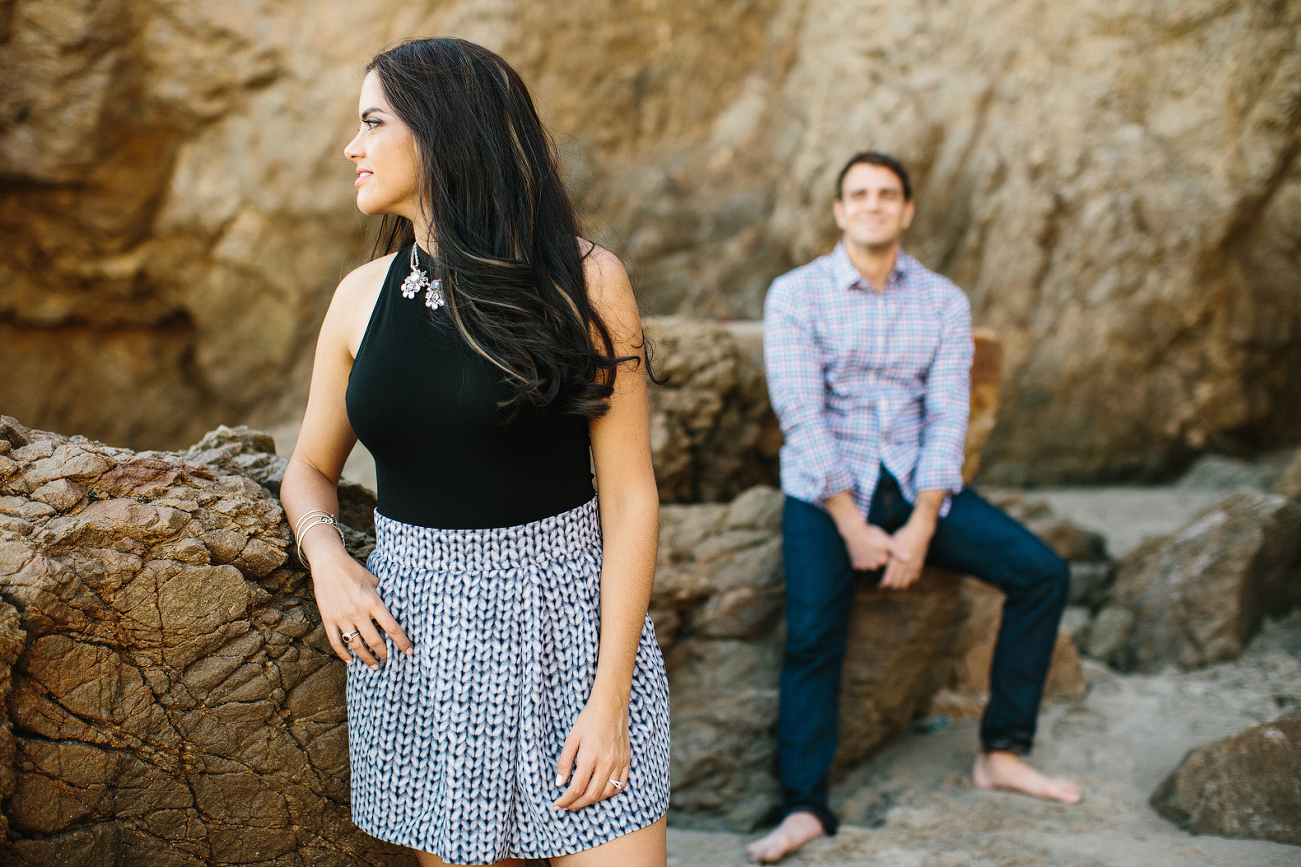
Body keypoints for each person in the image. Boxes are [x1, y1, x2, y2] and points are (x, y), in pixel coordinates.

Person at [279, 38, 670, 867]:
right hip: (424, 650)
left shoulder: (586, 281)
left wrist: (610, 701)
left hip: (571, 633)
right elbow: (309, 471)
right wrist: (331, 561)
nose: (352, 146)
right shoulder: (358, 299)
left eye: (372, 123)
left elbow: (630, 497)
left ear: (442, 132)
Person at [747, 152, 1082, 863]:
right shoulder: (795, 294)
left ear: (905, 211)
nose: (872, 204)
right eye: (858, 194)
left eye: (886, 194)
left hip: (915, 480)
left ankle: (1001, 751)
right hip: (824, 489)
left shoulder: (942, 301)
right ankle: (804, 805)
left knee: (1043, 572)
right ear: (839, 210)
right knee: (811, 635)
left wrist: (923, 523)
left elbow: (947, 416)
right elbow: (800, 416)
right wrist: (852, 527)